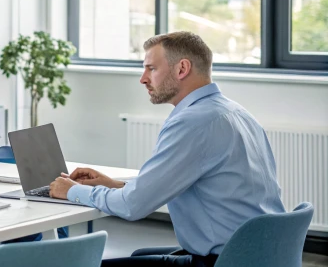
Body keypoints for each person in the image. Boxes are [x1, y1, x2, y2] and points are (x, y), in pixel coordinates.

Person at [49, 31, 286, 267]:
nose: (143, 78)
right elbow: (174, 185)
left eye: (151, 69)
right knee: (140, 256)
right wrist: (116, 185)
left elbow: (133, 207)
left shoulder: (193, 121)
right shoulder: (235, 112)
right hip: (262, 252)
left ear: (182, 69)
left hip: (227, 261)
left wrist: (70, 191)